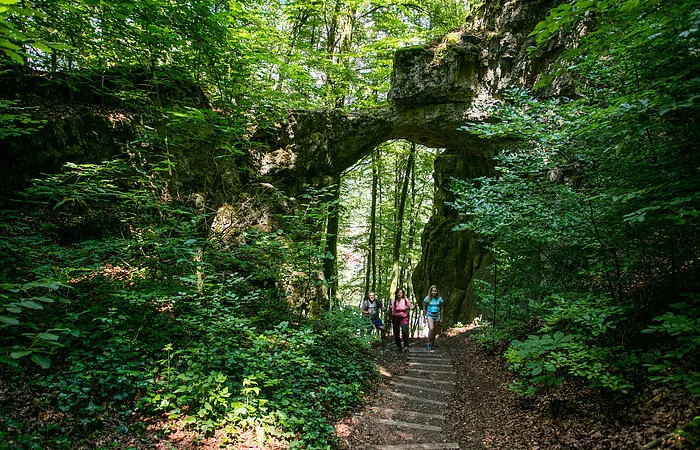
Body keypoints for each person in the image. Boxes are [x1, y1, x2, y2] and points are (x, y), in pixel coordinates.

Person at [390, 286, 414, 352]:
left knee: (404, 330)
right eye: (398, 293)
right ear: (396, 294)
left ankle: (406, 346)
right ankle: (398, 346)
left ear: (402, 293)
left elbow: (410, 306)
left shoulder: (405, 300)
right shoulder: (394, 300)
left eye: (401, 292)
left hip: (404, 317)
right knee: (396, 332)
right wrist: (391, 307)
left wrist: (413, 307)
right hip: (395, 318)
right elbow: (391, 306)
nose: (399, 294)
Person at [422, 284, 444, 351]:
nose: (434, 292)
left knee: (435, 331)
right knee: (431, 328)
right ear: (430, 291)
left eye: (435, 291)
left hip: (437, 315)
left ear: (437, 292)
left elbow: (442, 308)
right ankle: (428, 343)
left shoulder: (440, 299)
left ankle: (432, 343)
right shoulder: (427, 298)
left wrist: (441, 318)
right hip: (429, 315)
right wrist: (424, 317)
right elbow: (424, 308)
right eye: (433, 291)